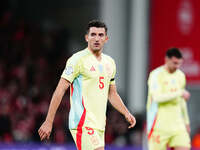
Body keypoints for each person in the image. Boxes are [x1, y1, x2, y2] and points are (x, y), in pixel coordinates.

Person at [38, 20, 136, 150]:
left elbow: (112, 94)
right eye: (93, 34)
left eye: (100, 35)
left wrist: (126, 113)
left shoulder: (110, 63)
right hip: (82, 122)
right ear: (86, 37)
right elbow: (60, 90)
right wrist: (49, 121)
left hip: (99, 125)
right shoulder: (77, 60)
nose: (96, 38)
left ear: (106, 39)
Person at [146, 48, 191, 150]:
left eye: (179, 64)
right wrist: (179, 93)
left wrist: (186, 122)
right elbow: (157, 97)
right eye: (175, 63)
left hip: (178, 126)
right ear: (167, 59)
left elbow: (182, 101)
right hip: (158, 125)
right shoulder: (155, 75)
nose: (177, 66)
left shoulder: (180, 75)